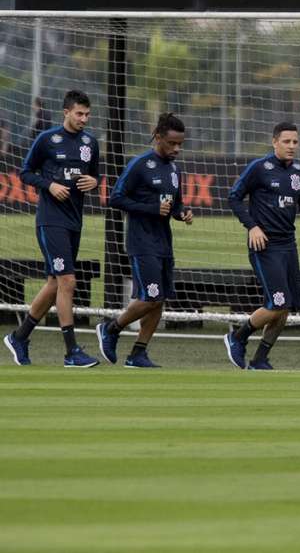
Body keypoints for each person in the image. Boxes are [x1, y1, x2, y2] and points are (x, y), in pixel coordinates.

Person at [4, 90, 101, 367]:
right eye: (79, 113)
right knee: (68, 282)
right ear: (66, 112)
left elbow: (94, 175)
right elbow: (25, 172)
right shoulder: (47, 140)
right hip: (50, 220)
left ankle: (19, 337)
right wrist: (49, 185)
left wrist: (94, 182)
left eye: (87, 114)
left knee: (54, 283)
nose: (84, 118)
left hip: (74, 220)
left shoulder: (90, 143)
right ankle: (72, 352)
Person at [224, 122, 300, 370]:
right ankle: (236, 337)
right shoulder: (259, 168)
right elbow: (234, 197)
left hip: (288, 246)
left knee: (285, 307)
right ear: (274, 142)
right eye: (286, 141)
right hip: (265, 245)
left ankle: (260, 358)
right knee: (277, 303)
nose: (292, 146)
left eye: (295, 142)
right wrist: (252, 226)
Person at [95, 113, 194, 368]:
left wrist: (182, 212)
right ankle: (111, 328)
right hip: (141, 242)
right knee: (150, 297)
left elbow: (175, 203)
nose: (177, 149)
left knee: (159, 299)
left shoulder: (174, 169)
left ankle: (138, 352)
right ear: (158, 137)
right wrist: (151, 208)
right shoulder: (140, 165)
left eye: (180, 144)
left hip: (163, 242)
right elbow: (115, 198)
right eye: (172, 143)